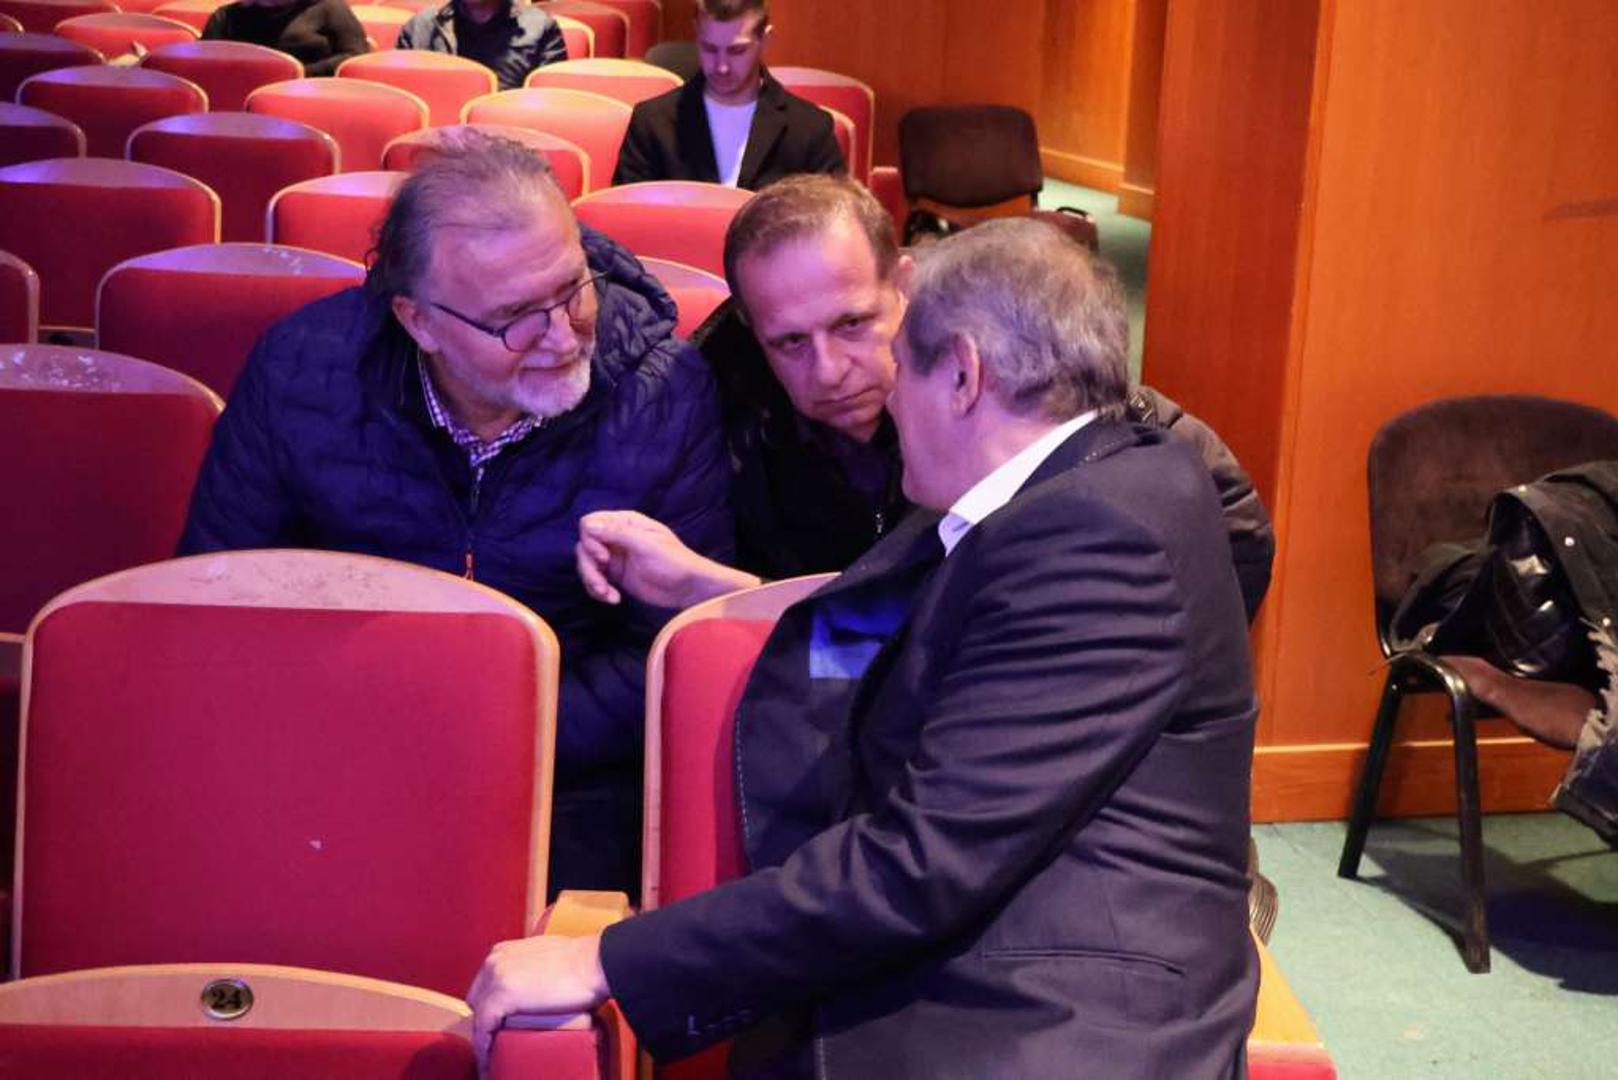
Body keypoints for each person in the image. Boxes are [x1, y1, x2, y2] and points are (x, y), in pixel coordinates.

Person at [470, 218, 1261, 1078]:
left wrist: (609, 960)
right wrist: (704, 590)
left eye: (898, 365)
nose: (884, 397)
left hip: (1048, 1022)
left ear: (962, 374)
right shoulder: (1045, 499)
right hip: (964, 971)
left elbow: (925, 860)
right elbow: (876, 640)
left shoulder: (1097, 536)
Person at [178, 129, 733, 895]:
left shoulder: (664, 390)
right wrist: (367, 728)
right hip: (340, 752)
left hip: (569, 780)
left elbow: (674, 652)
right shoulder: (300, 373)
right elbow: (217, 605)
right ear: (419, 321)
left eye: (573, 288)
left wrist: (496, 725)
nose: (562, 335)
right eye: (515, 317)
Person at [576, 175, 1275, 621]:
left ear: (905, 285)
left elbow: (1231, 520)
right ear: (752, 330)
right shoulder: (713, 405)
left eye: (853, 324)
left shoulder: (1010, 362)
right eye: (788, 342)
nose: (828, 371)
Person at [611, 0, 845, 189]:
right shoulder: (651, 123)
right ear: (696, 34)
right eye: (709, 48)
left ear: (765, 40)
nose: (721, 66)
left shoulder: (810, 130)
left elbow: (832, 221)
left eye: (736, 51)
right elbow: (627, 217)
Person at [396, 0, 567, 92]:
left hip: (505, 141)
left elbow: (547, 112)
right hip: (433, 140)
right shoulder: (420, 27)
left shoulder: (540, 29)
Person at [201, 0, 368, 77]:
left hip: (307, 91)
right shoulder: (227, 16)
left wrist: (298, 72)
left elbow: (355, 56)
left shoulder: (330, 7)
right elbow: (204, 63)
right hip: (242, 91)